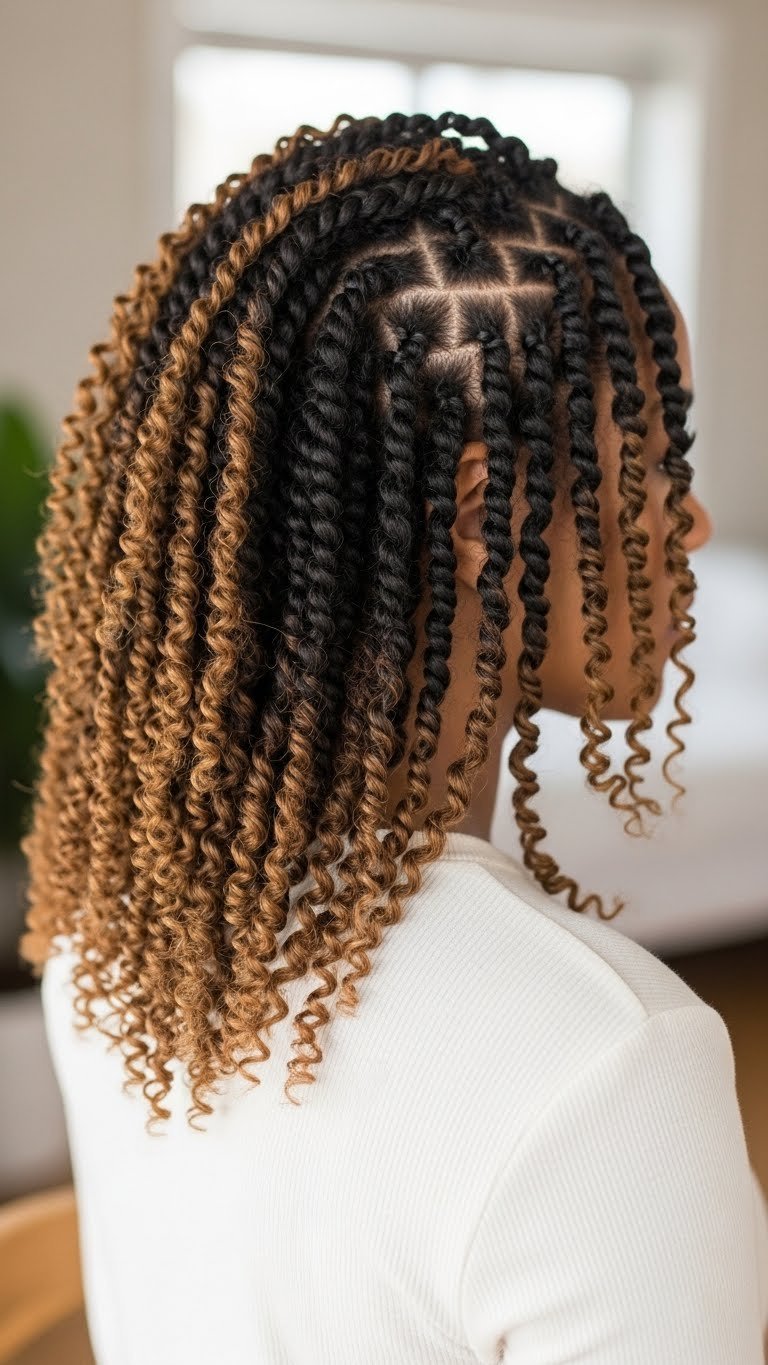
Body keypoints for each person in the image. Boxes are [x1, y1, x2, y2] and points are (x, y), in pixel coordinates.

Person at [21, 112, 767, 1362]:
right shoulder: (607, 1070)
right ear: (488, 515)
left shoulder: (115, 929)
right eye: (655, 452)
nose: (687, 522)